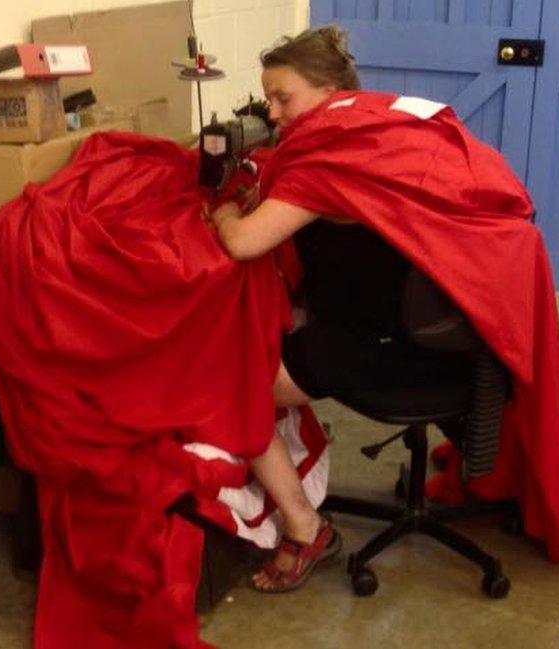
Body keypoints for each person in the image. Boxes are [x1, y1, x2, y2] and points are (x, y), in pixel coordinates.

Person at [208, 26, 490, 593]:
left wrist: (224, 210)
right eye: (268, 98)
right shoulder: (378, 129)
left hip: (386, 345)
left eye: (283, 97)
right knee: (276, 329)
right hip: (438, 332)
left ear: (330, 89)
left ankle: (302, 526)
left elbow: (243, 243)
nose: (273, 110)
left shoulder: (328, 161)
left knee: (234, 386)